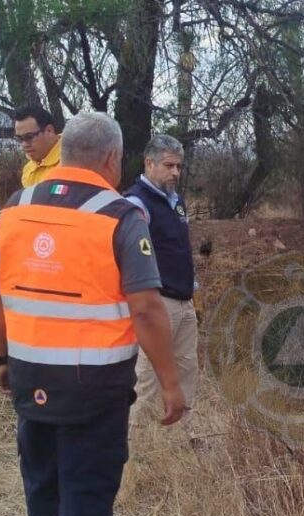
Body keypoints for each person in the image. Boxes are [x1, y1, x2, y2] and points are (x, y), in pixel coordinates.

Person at [0, 111, 186, 516]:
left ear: (65, 149)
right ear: (113, 158)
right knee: (88, 498)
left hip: (30, 380)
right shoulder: (119, 215)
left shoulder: (15, 207)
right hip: (94, 389)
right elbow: (145, 308)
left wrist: (2, 360)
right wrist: (170, 383)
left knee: (43, 493)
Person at [123, 134, 202, 446]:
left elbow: (180, 248)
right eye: (168, 165)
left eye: (179, 166)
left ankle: (186, 438)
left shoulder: (176, 201)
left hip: (183, 301)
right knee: (146, 377)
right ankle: (133, 444)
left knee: (187, 368)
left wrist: (195, 292)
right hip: (157, 303)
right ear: (149, 163)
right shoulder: (136, 202)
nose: (175, 172)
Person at [13, 106, 62, 188]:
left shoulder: (75, 160)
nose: (24, 144)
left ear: (49, 131)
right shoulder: (28, 170)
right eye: (20, 139)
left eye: (29, 137)